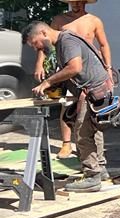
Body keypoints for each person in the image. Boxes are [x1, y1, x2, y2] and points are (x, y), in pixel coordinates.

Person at [24, 20, 111, 192]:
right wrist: (56, 87)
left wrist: (48, 82)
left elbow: (74, 68)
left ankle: (92, 176)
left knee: (82, 133)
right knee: (91, 130)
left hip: (93, 90)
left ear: (44, 34)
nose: (37, 49)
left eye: (35, 44)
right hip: (93, 89)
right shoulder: (62, 43)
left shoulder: (66, 41)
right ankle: (100, 170)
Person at [33, 0, 111, 160]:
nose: (76, 4)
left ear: (84, 2)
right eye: (73, 2)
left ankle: (96, 158)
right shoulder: (60, 21)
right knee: (67, 105)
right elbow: (45, 45)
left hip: (88, 70)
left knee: (93, 111)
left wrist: (107, 67)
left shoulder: (94, 21)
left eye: (79, 1)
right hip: (68, 69)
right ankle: (66, 143)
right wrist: (40, 64)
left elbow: (104, 44)